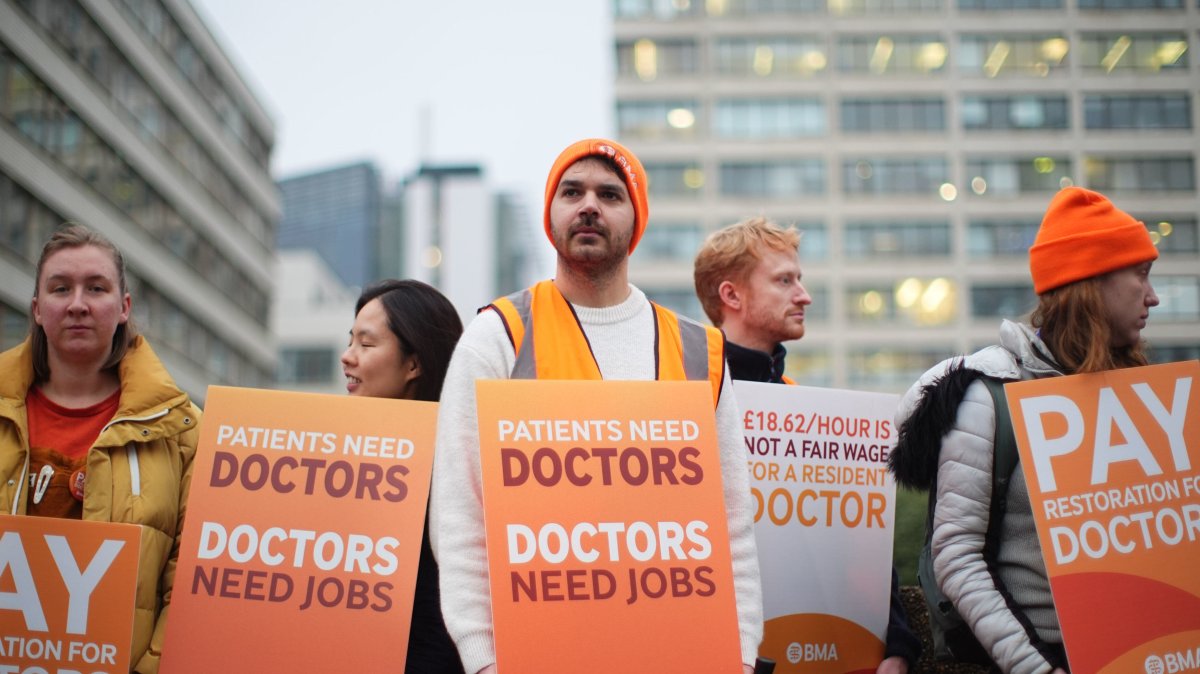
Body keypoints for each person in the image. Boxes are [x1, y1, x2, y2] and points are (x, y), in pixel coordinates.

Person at [429, 138, 763, 674]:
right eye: (571, 191)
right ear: (551, 215)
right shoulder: (498, 338)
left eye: (610, 194)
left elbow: (731, 526)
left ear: (636, 220)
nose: (589, 205)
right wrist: (485, 660)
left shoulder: (699, 352)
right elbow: (460, 518)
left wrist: (741, 655)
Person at [889, 186, 1160, 674]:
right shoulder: (991, 396)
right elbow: (958, 559)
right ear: (1091, 282)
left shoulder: (1147, 399)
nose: (1153, 297)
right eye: (1140, 275)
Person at [694, 217, 922, 674]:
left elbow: (855, 536)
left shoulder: (806, 410)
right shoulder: (690, 408)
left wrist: (896, 643)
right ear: (731, 296)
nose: (805, 295)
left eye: (799, 279)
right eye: (785, 280)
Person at [0, 224, 199, 674]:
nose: (77, 304)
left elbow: (188, 580)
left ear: (123, 307)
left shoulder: (182, 432)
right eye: (59, 288)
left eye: (96, 288)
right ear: (36, 309)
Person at [341, 278, 465, 674]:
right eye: (350, 341)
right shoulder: (338, 464)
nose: (347, 356)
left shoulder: (453, 471)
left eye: (366, 343)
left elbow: (440, 623)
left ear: (414, 363)